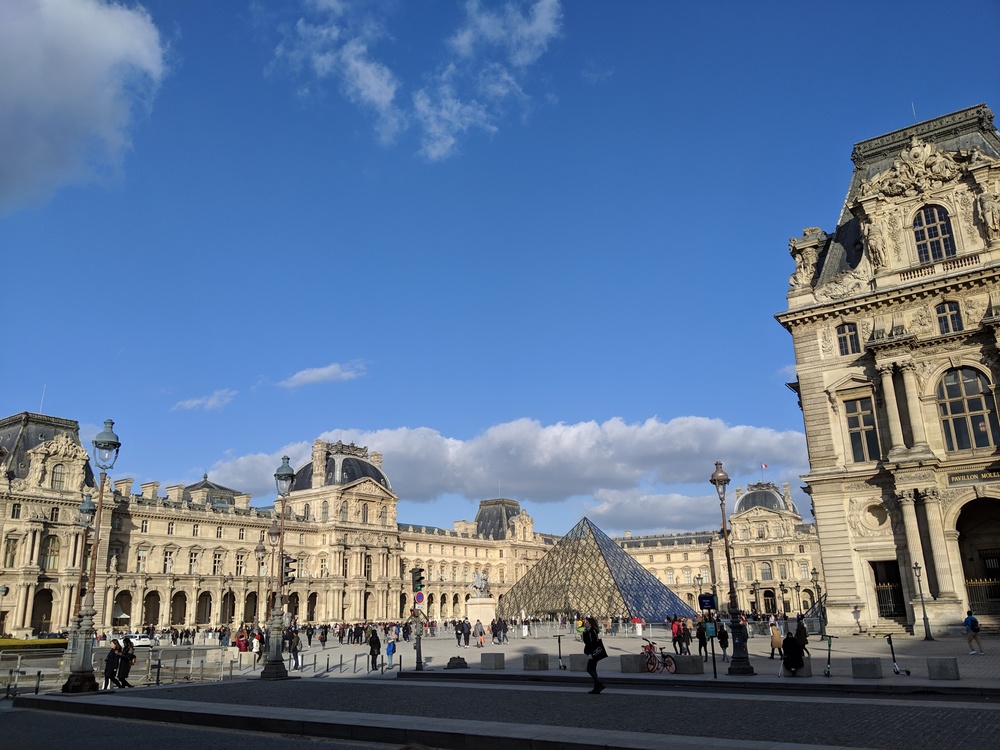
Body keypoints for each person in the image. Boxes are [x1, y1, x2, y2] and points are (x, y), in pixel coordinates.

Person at [580, 616, 605, 694]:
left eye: (586, 622)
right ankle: (596, 687)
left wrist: (591, 652)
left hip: (593, 653)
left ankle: (599, 685)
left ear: (590, 624)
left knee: (589, 669)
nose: (585, 624)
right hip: (592, 652)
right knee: (592, 669)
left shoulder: (592, 631)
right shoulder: (588, 631)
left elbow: (592, 642)